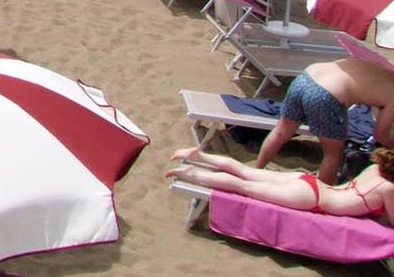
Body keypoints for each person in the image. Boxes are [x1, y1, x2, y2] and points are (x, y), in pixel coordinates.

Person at [256, 59, 394, 183]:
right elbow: (380, 135)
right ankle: (322, 195)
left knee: (281, 132)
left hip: (307, 77)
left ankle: (256, 171)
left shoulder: (379, 68)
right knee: (333, 154)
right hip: (326, 95)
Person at [167, 148, 394, 220]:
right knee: (242, 187)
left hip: (307, 182)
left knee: (245, 172)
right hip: (312, 199)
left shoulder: (374, 168)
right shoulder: (388, 189)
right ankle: (191, 174)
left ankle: (201, 155)